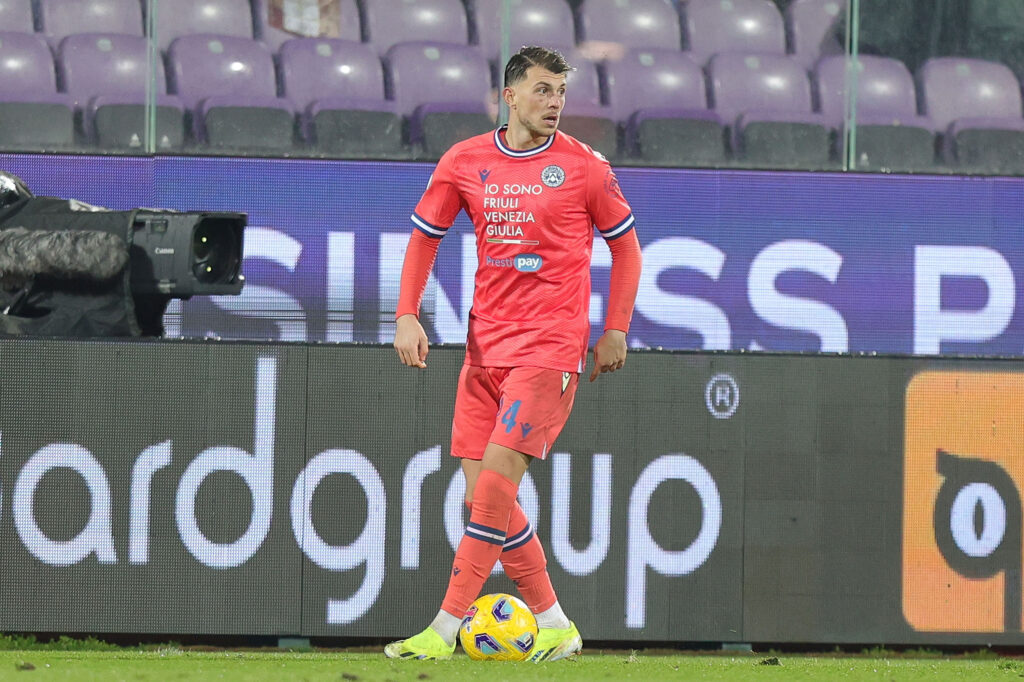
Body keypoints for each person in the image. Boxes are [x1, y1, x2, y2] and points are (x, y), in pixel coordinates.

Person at [385, 45, 643, 662]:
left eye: (560, 92)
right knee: (483, 502)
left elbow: (627, 249)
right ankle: (554, 622)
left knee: (496, 487)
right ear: (510, 95)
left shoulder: (584, 167)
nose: (554, 103)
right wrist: (405, 314)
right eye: (542, 90)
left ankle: (444, 630)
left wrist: (616, 327)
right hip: (483, 352)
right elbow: (424, 239)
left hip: (548, 351)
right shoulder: (465, 160)